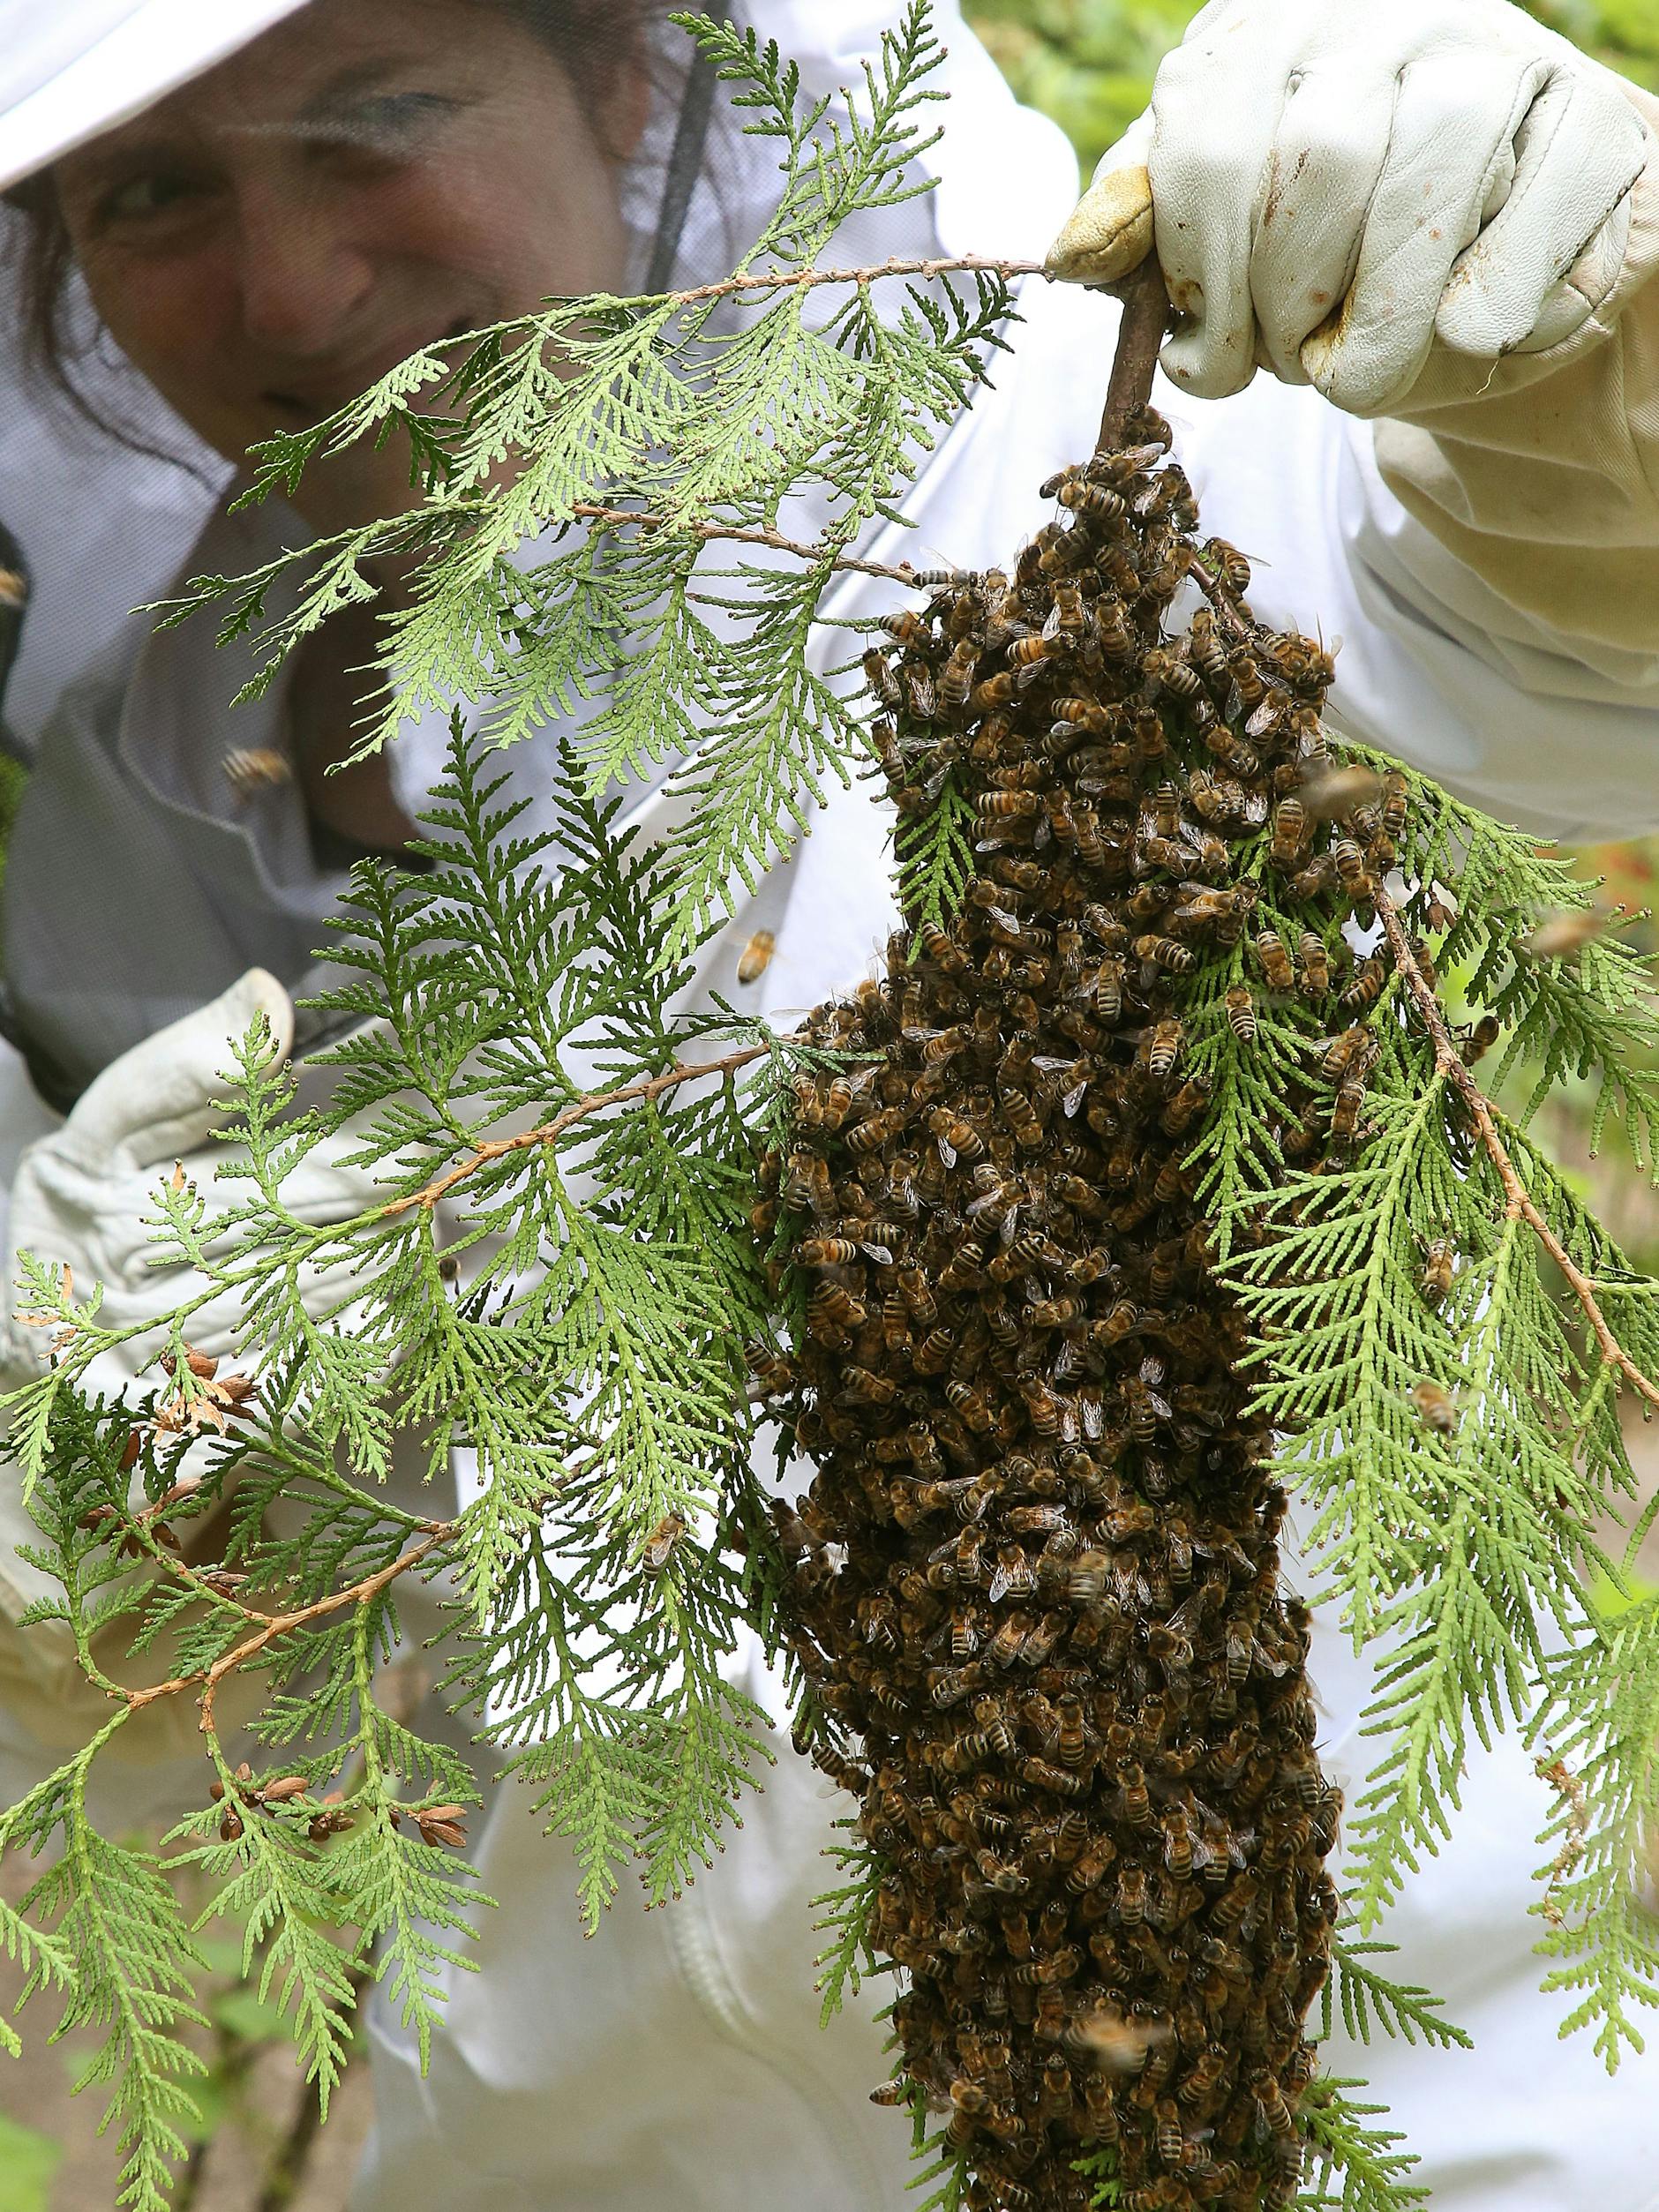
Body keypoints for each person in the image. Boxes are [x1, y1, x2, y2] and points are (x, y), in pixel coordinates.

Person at [0, 0, 1655, 2205]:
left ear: (623, 77)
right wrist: (62, 1464)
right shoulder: (137, 785)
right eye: (150, 192)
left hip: (1384, 2115)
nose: (289, 286)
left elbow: (1567, 635)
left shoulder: (1042, 438)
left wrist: (1582, 358)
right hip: (570, 2149)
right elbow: (218, 1676)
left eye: (373, 122)